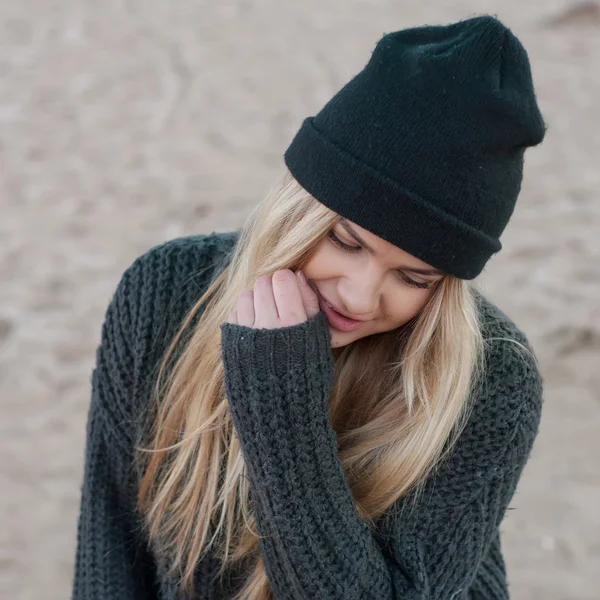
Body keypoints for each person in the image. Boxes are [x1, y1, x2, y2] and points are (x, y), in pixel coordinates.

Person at [71, 13, 547, 600]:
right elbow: (111, 544)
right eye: (346, 241)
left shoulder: (491, 379)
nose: (358, 295)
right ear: (301, 209)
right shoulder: (164, 294)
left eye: (415, 276)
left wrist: (282, 406)